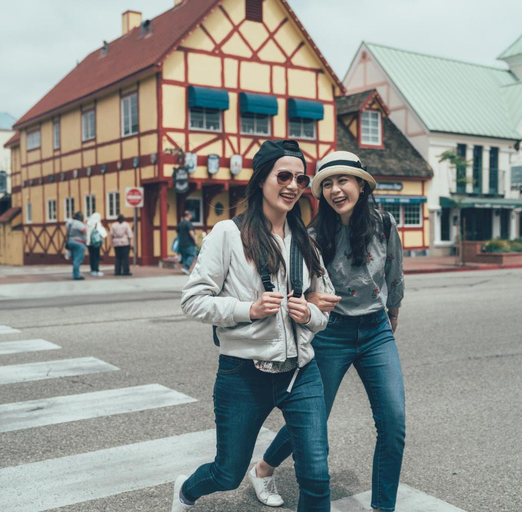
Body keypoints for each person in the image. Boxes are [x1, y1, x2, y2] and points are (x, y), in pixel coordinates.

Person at [173, 140, 335, 512]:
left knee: (316, 474)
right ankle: (186, 491)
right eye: (284, 176)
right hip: (243, 374)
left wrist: (308, 314)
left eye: (300, 178)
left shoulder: (307, 243)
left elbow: (322, 309)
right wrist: (249, 309)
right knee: (227, 473)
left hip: (301, 373)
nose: (293, 185)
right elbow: (192, 300)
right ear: (262, 178)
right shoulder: (227, 234)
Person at [252, 151, 406, 512]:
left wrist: (393, 312)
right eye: (328, 184)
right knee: (311, 418)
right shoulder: (310, 235)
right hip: (331, 334)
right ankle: (262, 469)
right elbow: (295, 288)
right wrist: (309, 297)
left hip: (375, 330)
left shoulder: (383, 223)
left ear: (360, 185)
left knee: (394, 423)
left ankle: (384, 507)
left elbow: (396, 270)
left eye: (343, 181)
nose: (336, 190)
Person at [65, 211, 87, 280]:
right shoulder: (78, 223)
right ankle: (76, 275)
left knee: (75, 259)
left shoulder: (69, 223)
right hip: (78, 243)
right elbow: (84, 230)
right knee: (78, 259)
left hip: (71, 241)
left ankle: (75, 274)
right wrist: (84, 224)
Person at [86, 212, 108, 277]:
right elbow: (104, 234)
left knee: (91, 256)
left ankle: (92, 270)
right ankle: (96, 270)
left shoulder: (88, 223)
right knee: (96, 257)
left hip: (89, 243)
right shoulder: (97, 223)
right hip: (95, 242)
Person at [176, 210, 197, 275]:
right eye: (190, 215)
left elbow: (177, 231)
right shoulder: (188, 223)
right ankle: (186, 267)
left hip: (181, 243)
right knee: (192, 255)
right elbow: (191, 232)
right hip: (189, 243)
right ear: (188, 215)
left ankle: (185, 269)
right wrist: (195, 240)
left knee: (185, 256)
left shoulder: (181, 223)